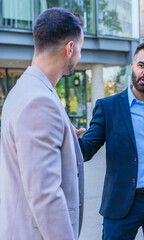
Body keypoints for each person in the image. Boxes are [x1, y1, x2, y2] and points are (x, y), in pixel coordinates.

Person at [78, 41, 144, 240]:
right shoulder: (108, 107)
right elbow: (86, 150)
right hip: (120, 203)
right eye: (142, 65)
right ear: (132, 67)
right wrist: (66, 137)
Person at [0, 8, 84, 240]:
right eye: (80, 49)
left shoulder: (24, 90)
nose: (79, 56)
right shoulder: (39, 101)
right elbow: (45, 195)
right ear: (70, 48)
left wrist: (66, 142)